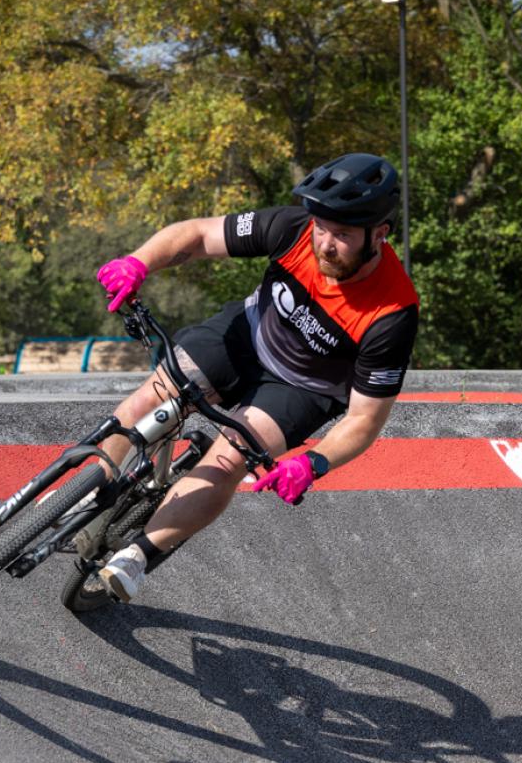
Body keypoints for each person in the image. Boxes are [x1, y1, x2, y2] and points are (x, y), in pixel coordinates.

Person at [87, 152, 419, 602]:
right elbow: (199, 235)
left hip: (302, 387)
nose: (324, 243)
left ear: (379, 234)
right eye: (322, 228)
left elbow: (365, 419)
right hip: (247, 335)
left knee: (226, 461)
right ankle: (91, 492)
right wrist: (139, 262)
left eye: (342, 235)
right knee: (150, 399)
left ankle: (140, 554)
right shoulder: (294, 228)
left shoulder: (393, 312)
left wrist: (314, 462)